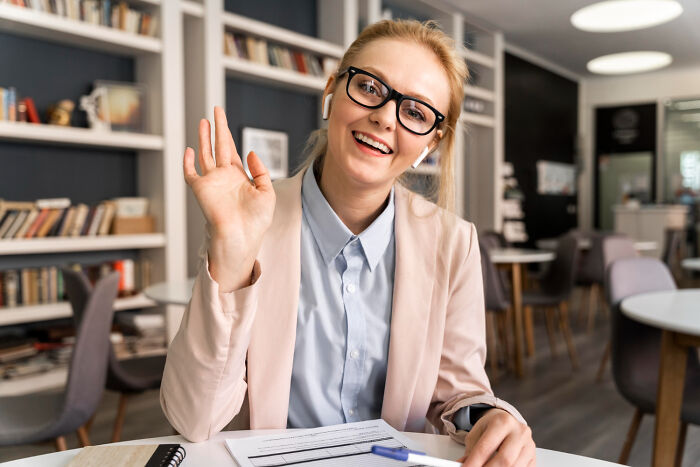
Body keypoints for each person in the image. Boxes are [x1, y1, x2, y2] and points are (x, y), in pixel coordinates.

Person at [161, 19, 535, 466]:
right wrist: (232, 252)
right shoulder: (251, 216)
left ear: (430, 143)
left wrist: (490, 416)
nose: (383, 116)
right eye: (371, 88)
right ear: (332, 90)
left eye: (415, 112)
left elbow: (459, 393)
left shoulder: (454, 242)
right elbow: (191, 418)